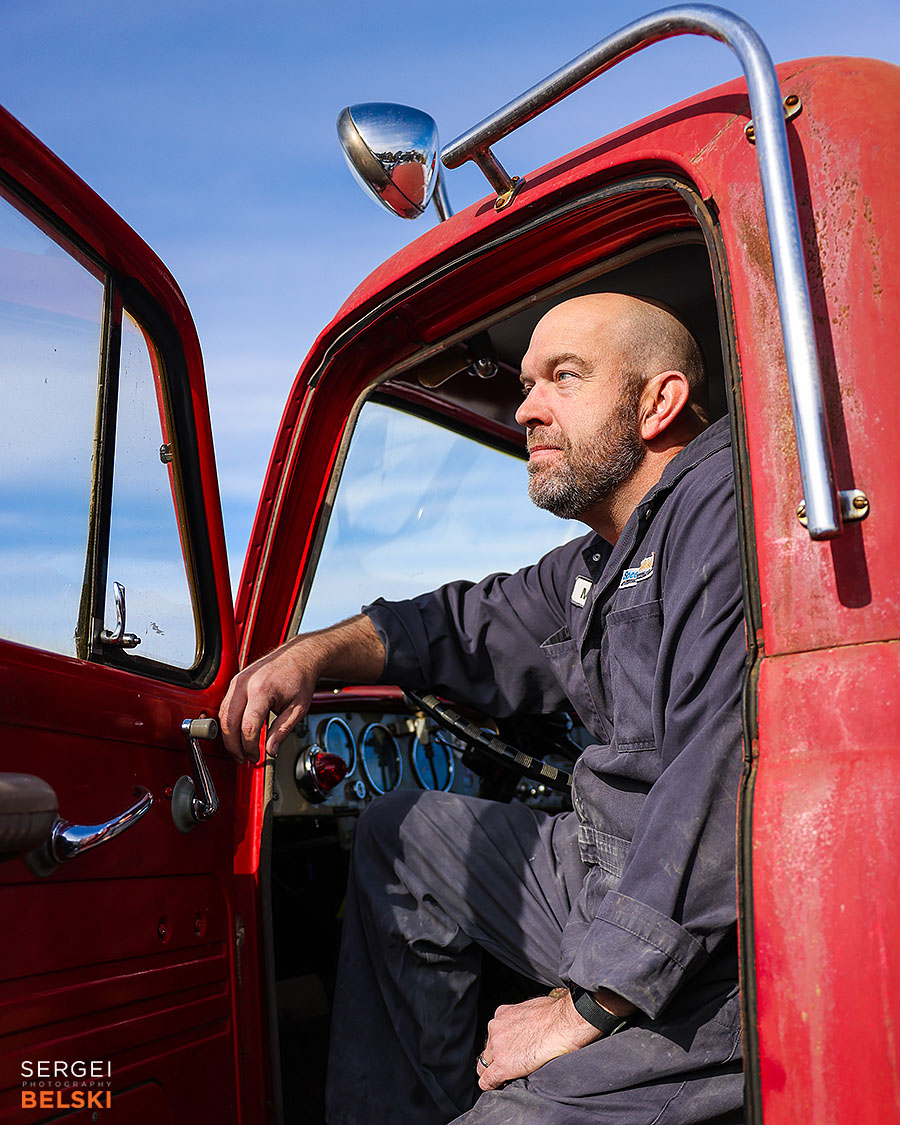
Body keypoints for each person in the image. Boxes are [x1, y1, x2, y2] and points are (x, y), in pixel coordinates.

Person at [221, 293, 747, 1124]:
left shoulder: (728, 510)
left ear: (658, 402)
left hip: (719, 954)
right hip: (612, 871)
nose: (525, 407)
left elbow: (720, 781)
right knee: (404, 834)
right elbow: (464, 624)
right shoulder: (597, 562)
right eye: (527, 383)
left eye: (561, 379)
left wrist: (586, 1003)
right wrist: (311, 653)